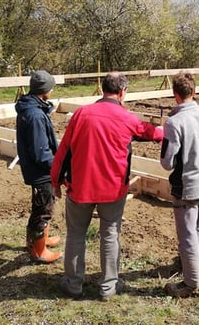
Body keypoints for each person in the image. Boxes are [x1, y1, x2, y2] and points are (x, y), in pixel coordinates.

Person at [50, 72, 163, 300]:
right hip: (112, 190)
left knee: (75, 235)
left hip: (80, 187)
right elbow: (150, 132)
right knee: (110, 235)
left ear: (103, 89)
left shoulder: (82, 113)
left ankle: (73, 284)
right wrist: (167, 130)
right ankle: (108, 286)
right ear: (122, 92)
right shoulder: (126, 117)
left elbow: (63, 150)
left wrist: (55, 180)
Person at [160, 72, 199, 298]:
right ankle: (188, 264)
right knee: (197, 229)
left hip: (186, 188)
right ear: (194, 92)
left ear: (175, 95)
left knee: (187, 235)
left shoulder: (174, 123)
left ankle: (192, 284)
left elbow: (167, 163)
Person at [15, 70, 63, 264]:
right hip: (41, 172)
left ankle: (36, 240)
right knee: (44, 209)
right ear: (45, 91)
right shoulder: (34, 115)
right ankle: (39, 251)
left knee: (39, 207)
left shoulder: (33, 107)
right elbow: (40, 152)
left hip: (37, 170)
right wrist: (57, 167)